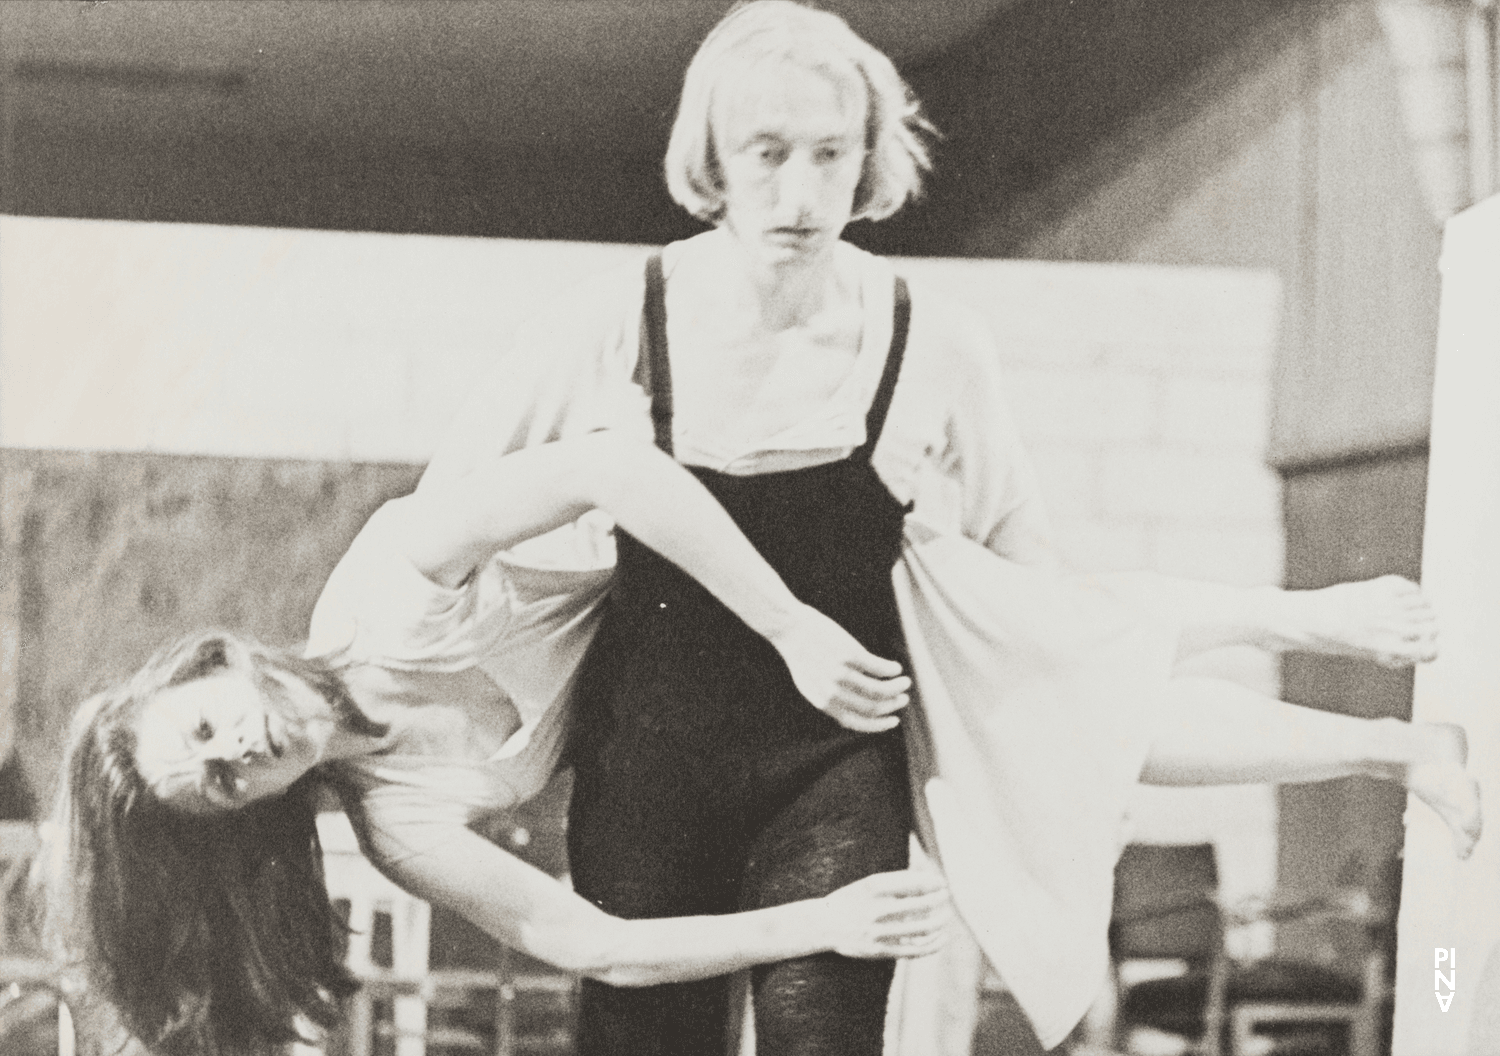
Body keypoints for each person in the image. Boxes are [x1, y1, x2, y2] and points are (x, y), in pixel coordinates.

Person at [415, 3, 1480, 1053]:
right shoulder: (621, 317)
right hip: (647, 770)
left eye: (830, 155)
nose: (798, 192)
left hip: (834, 772)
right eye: (767, 152)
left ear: (868, 156)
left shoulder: (930, 341)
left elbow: (1046, 595)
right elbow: (447, 506)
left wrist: (1241, 631)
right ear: (714, 157)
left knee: (1055, 687)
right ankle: (1362, 707)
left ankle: (1384, 737)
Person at [48, 431, 953, 1056]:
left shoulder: (390, 587)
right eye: (220, 782)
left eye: (208, 725)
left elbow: (611, 468)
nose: (240, 749)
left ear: (211, 666)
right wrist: (820, 923)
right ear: (245, 814)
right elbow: (597, 946)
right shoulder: (398, 827)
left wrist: (789, 627)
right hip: (718, 739)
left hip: (756, 560)